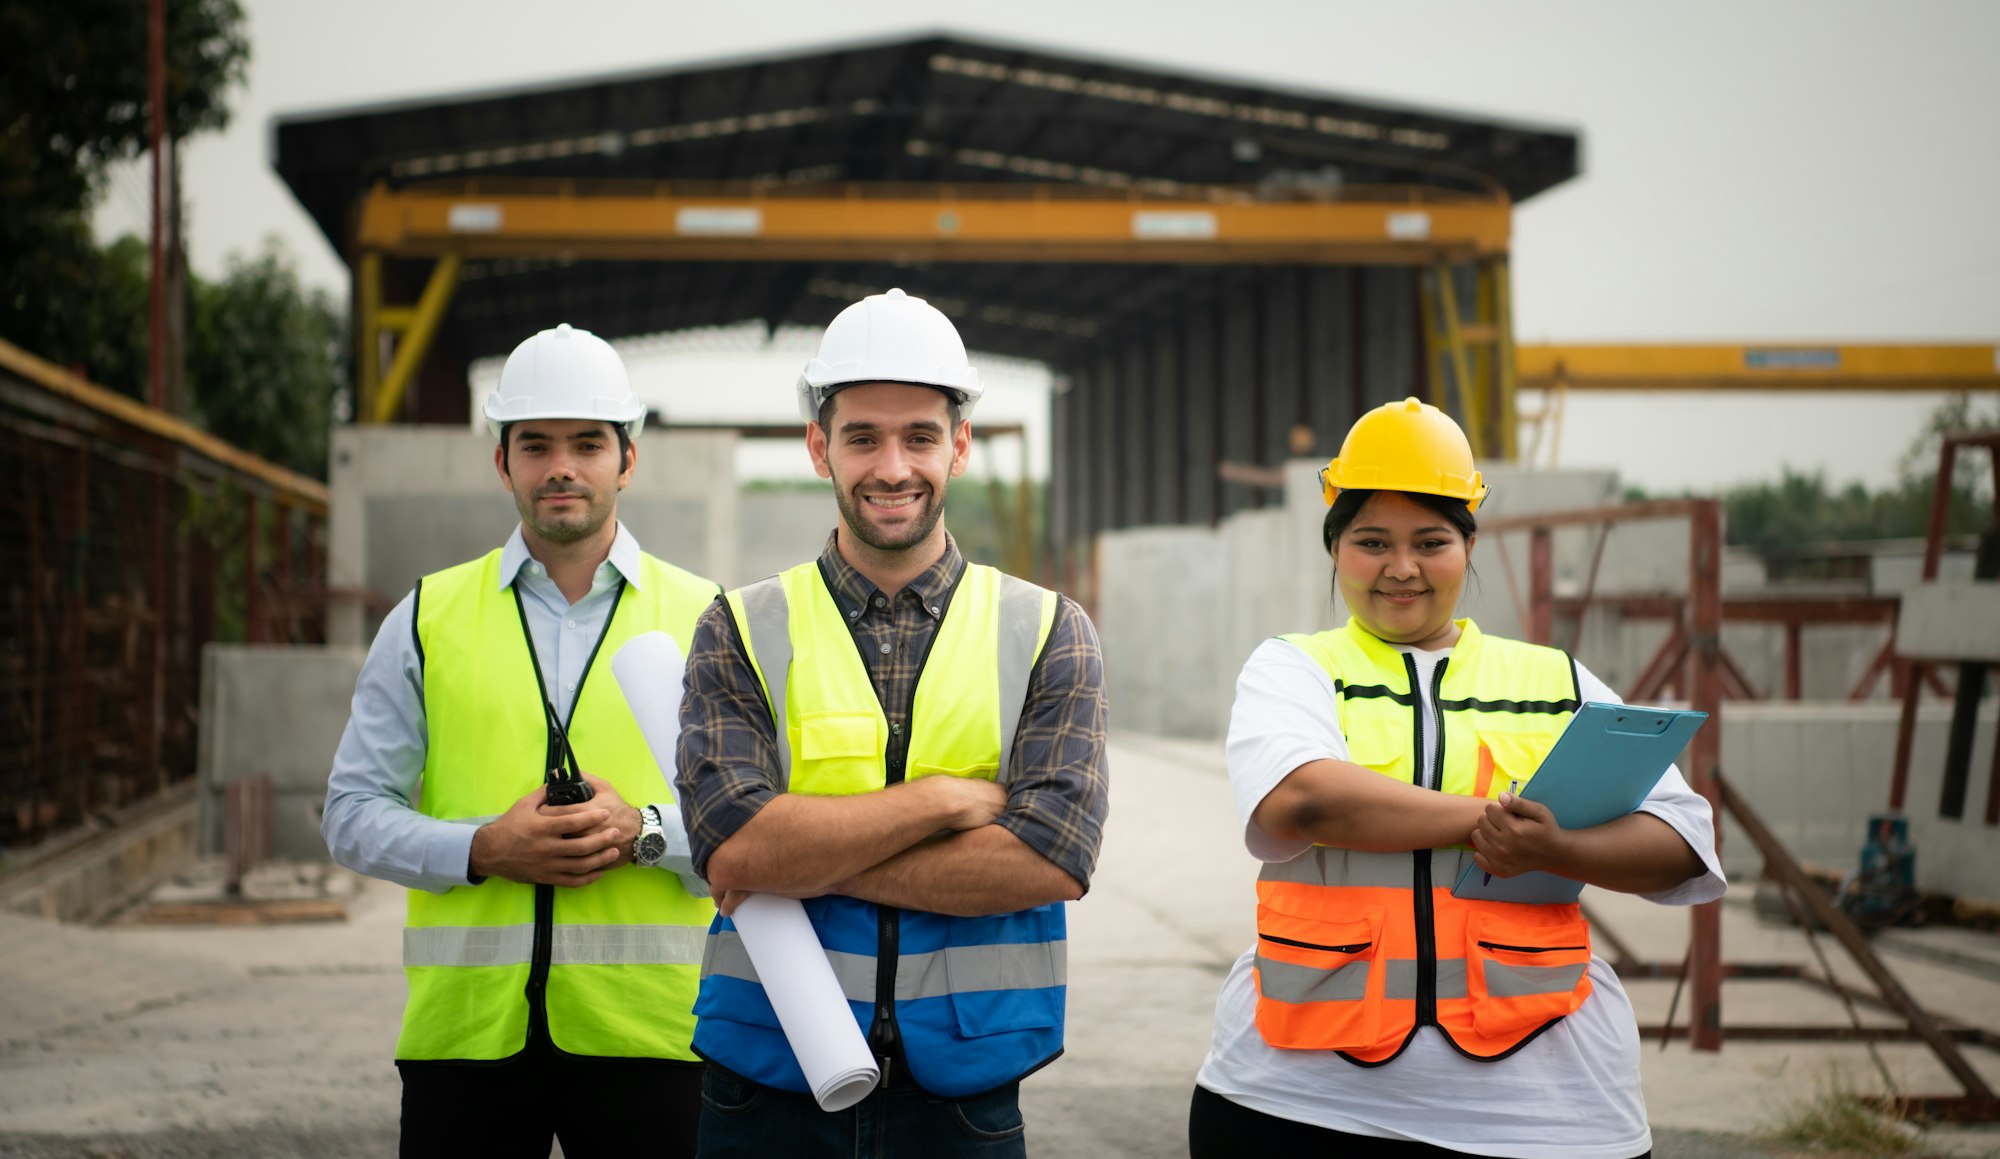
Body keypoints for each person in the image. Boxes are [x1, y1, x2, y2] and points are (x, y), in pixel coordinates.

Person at [1188, 397, 1726, 1159]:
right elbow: (1304, 798)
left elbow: (1683, 840)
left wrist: (1554, 848)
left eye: (1430, 541)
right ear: (1334, 546)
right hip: (1302, 1094)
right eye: (1371, 540)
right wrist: (1493, 820)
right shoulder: (1299, 666)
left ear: (1468, 545)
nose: (1401, 568)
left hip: (1541, 1106)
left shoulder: (1554, 682)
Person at [675, 288, 1109, 1158]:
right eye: (862, 436)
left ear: (959, 443)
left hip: (965, 1088)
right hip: (767, 1077)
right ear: (817, 446)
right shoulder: (742, 624)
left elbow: (1053, 857)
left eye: (918, 435)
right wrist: (946, 802)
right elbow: (734, 852)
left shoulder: (1047, 629)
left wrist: (806, 855)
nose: (892, 466)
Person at [322, 323, 721, 1158]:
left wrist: (645, 831)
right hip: (466, 1046)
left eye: (587, 443)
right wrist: (483, 846)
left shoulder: (710, 621)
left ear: (628, 458)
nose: (561, 467)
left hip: (657, 1040)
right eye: (535, 445)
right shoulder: (427, 617)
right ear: (501, 461)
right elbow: (351, 814)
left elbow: (761, 823)